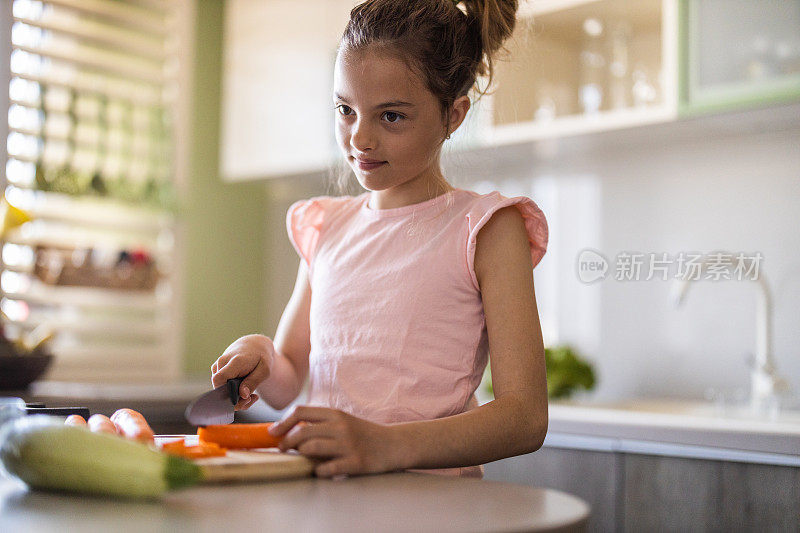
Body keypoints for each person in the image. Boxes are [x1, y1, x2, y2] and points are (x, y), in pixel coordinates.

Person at [211, 0, 549, 479]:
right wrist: (260, 354)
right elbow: (288, 380)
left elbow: (525, 418)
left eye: (390, 116)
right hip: (330, 502)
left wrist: (387, 445)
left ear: (453, 116)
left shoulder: (487, 229)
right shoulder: (326, 227)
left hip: (438, 512)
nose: (359, 139)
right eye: (345, 110)